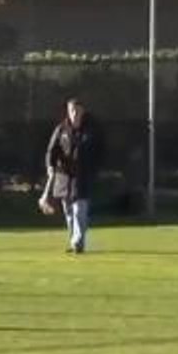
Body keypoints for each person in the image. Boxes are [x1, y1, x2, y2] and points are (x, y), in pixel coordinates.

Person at [46, 98, 101, 254]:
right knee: (69, 213)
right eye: (72, 110)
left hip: (82, 178)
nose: (75, 114)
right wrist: (50, 165)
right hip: (64, 178)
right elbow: (52, 150)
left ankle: (78, 242)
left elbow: (97, 152)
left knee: (79, 211)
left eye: (78, 111)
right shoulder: (61, 129)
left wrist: (93, 169)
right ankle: (74, 241)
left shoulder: (90, 130)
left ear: (82, 112)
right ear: (68, 112)